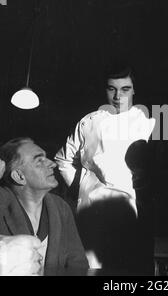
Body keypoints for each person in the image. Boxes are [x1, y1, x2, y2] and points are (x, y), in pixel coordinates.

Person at [55, 64, 155, 273]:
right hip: (93, 213)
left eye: (125, 89)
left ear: (134, 89)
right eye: (112, 89)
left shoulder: (148, 123)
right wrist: (81, 189)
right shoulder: (89, 122)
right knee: (92, 269)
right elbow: (63, 160)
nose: (118, 96)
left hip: (131, 213)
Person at [0, 138, 88, 276]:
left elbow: (78, 265)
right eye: (39, 161)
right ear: (18, 176)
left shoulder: (60, 208)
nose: (52, 164)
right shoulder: (3, 205)